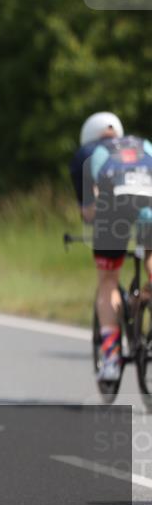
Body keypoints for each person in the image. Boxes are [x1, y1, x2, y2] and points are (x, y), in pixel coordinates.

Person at [70, 111, 152, 389]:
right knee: (151, 252)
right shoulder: (143, 145)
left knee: (108, 281)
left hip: (112, 214)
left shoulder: (87, 152)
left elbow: (89, 212)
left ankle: (111, 359)